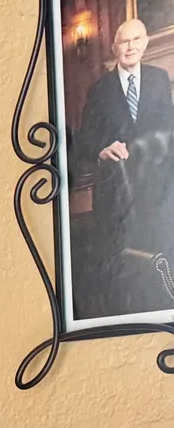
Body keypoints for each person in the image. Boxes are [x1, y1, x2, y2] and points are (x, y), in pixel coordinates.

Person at [71, 16, 174, 316]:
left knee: (160, 267)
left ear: (145, 43)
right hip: (116, 197)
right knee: (126, 274)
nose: (130, 47)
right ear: (115, 48)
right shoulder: (98, 89)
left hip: (156, 192)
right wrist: (102, 150)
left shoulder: (158, 79)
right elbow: (84, 139)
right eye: (124, 42)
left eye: (136, 40)